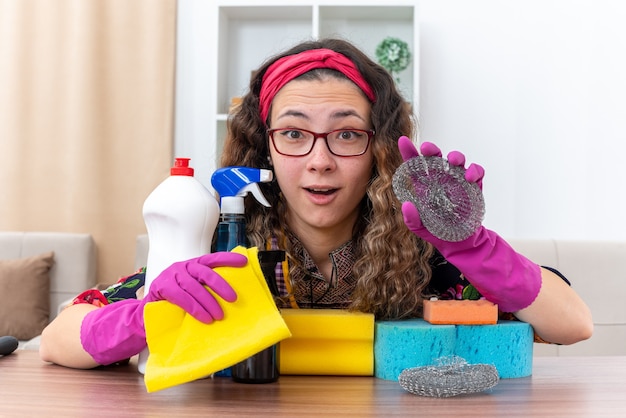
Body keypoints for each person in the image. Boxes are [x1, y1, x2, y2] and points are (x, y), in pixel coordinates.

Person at [39, 37, 593, 369]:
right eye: (295, 134)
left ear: (377, 149)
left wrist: (474, 247)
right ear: (266, 147)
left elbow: (573, 325)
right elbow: (59, 339)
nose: (320, 161)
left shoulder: (427, 247)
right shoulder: (219, 240)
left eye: (347, 134)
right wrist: (150, 316)